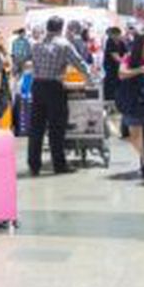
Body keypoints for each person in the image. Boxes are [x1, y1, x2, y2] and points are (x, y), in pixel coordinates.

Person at [27, 16, 92, 176]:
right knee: (56, 128)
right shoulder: (64, 44)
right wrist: (90, 78)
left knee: (36, 128)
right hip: (54, 88)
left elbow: (32, 65)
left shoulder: (36, 44)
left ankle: (34, 164)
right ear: (61, 28)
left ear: (47, 27)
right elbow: (79, 63)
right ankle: (59, 164)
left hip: (37, 86)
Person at [116, 34, 144, 163]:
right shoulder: (128, 57)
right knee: (134, 135)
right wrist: (139, 70)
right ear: (143, 44)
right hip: (130, 100)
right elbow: (121, 74)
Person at [102, 27, 127, 106]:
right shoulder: (110, 42)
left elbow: (126, 54)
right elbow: (116, 57)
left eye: (118, 35)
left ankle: (118, 103)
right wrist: (124, 62)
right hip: (111, 69)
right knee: (111, 88)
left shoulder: (121, 43)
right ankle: (110, 105)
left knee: (119, 87)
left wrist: (125, 61)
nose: (118, 37)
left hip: (119, 70)